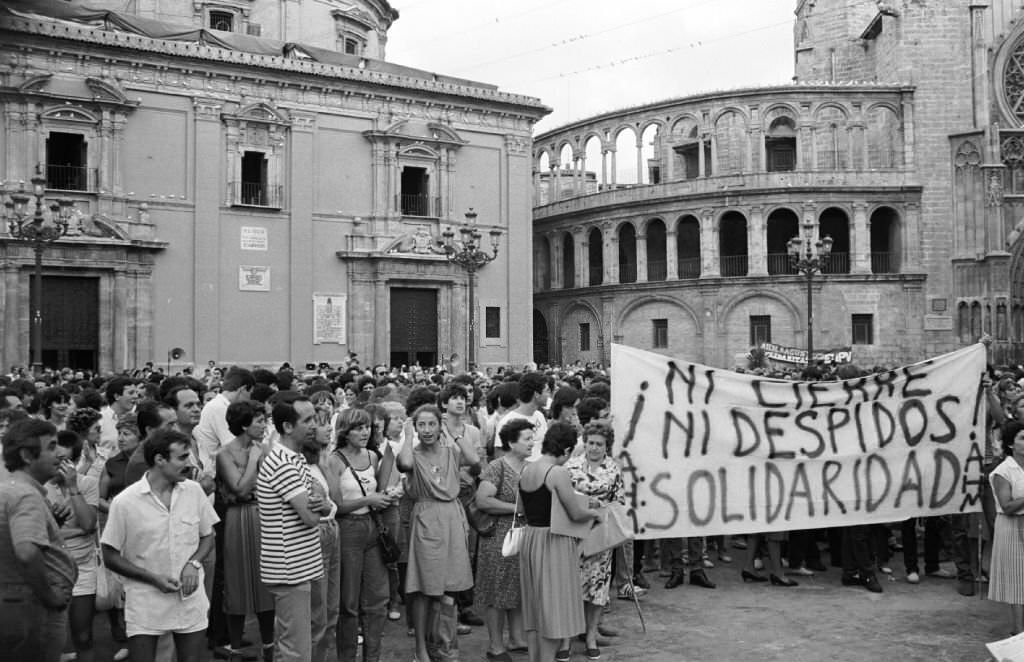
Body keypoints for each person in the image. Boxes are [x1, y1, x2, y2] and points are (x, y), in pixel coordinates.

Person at [100, 428, 219, 662]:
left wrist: (193, 564)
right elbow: (110, 556)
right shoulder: (125, 502)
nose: (190, 465)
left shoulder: (193, 491)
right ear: (159, 460)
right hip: (145, 603)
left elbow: (208, 535)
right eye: (183, 457)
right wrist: (153, 578)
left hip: (189, 601)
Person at [397, 404, 480, 662]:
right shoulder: (414, 453)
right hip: (427, 519)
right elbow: (404, 463)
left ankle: (444, 646)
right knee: (424, 587)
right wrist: (409, 435)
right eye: (421, 425)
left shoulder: (450, 452)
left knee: (450, 585)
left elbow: (475, 462)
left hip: (453, 518)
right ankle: (421, 648)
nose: (427, 430)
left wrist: (452, 433)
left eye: (432, 424)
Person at [518, 422, 600, 662]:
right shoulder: (557, 473)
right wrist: (593, 513)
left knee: (535, 611)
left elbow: (523, 509)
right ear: (565, 450)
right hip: (553, 542)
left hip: (531, 538)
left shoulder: (526, 470)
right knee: (553, 609)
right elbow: (575, 513)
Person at [0, 419, 77, 662]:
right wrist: (50, 596)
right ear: (26, 455)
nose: (60, 454)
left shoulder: (9, 489)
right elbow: (26, 552)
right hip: (31, 607)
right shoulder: (25, 495)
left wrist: (49, 524)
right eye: (52, 447)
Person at [257, 395, 326, 662]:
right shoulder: (283, 462)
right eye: (307, 420)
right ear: (287, 427)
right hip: (290, 567)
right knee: (295, 648)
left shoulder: (293, 458)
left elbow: (324, 500)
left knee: (295, 641)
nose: (313, 426)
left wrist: (320, 505)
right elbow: (310, 517)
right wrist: (318, 507)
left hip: (299, 563)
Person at [328, 408, 395, 662]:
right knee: (348, 602)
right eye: (358, 428)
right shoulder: (334, 460)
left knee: (377, 600)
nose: (364, 432)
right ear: (345, 431)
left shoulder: (373, 455)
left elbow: (381, 489)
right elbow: (335, 507)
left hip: (372, 527)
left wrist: (385, 496)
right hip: (347, 529)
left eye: (367, 427)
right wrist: (369, 499)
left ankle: (372, 657)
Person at [216, 401, 275, 661]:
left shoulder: (265, 449)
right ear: (243, 425)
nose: (264, 426)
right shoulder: (225, 453)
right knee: (236, 579)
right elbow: (239, 489)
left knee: (266, 579)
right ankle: (235, 644)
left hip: (263, 514)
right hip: (238, 517)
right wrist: (253, 461)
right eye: (259, 421)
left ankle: (269, 644)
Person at [474, 418, 533, 662]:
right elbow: (483, 500)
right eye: (527, 438)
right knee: (496, 590)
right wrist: (516, 509)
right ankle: (495, 645)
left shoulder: (530, 467)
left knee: (518, 587)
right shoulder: (497, 467)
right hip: (498, 536)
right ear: (511, 442)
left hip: (523, 536)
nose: (532, 442)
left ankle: (516, 638)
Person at [565, 420, 625, 659]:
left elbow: (619, 501)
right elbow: (563, 498)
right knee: (572, 587)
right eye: (590, 443)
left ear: (606, 445)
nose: (594, 448)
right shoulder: (571, 466)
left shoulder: (613, 469)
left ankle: (591, 635)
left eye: (599, 444)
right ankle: (568, 636)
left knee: (598, 588)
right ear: (584, 443)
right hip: (574, 533)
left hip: (601, 535)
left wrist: (602, 509)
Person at [46, 430, 100, 662]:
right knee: (48, 637)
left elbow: (88, 523)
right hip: (50, 568)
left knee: (83, 634)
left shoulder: (87, 484)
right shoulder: (38, 486)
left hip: (82, 567)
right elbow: (41, 533)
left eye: (65, 461)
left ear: (76, 461)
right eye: (55, 460)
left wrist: (73, 487)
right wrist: (74, 531)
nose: (59, 467)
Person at [988, 421, 1024, 633]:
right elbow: (1007, 506)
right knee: (1016, 580)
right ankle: (1019, 633)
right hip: (1011, 527)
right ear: (1011, 444)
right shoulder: (1003, 471)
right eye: (1022, 438)